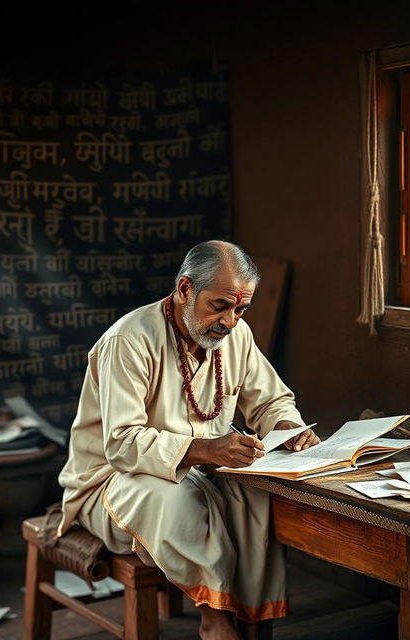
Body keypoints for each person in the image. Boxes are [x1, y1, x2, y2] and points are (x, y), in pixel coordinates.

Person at [58, 240, 319, 640]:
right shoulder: (129, 340)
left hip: (205, 471)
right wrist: (205, 449)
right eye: (220, 306)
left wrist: (288, 428)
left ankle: (253, 622)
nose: (230, 321)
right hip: (110, 481)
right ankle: (215, 619)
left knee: (259, 497)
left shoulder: (236, 336)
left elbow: (272, 400)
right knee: (177, 499)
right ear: (184, 290)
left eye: (240, 309)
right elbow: (123, 444)